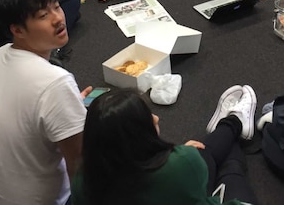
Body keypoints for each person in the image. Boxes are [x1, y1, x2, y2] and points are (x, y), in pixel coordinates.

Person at [0, 0, 89, 204]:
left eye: (56, 7)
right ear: (17, 29)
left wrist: (67, 109)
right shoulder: (56, 82)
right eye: (43, 15)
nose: (58, 18)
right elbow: (80, 169)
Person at [71, 85, 259, 205]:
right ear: (136, 134)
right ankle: (234, 122)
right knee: (220, 160)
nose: (156, 117)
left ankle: (233, 124)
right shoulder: (182, 163)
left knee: (205, 152)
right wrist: (182, 156)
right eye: (147, 117)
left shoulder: (83, 182)